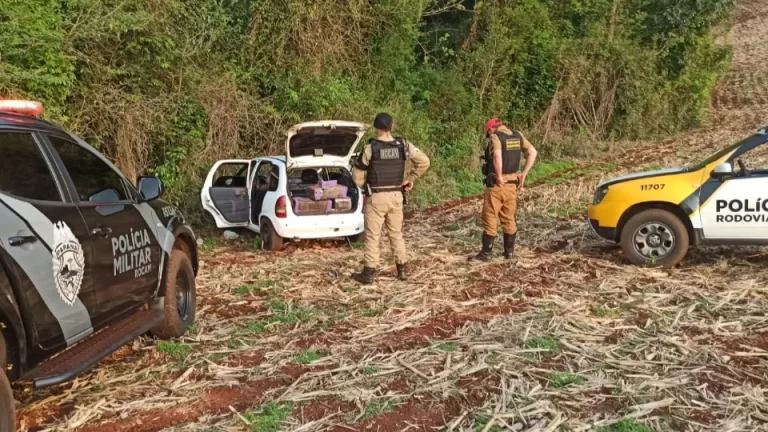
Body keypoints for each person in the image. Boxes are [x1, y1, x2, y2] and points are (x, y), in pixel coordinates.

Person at [351, 113, 431, 284]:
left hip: (377, 196)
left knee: (373, 236)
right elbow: (424, 162)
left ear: (376, 128)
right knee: (396, 233)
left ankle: (369, 273)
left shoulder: (371, 148)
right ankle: (402, 269)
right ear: (391, 127)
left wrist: (362, 186)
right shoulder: (404, 145)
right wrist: (411, 178)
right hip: (396, 196)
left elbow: (357, 171)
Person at [471, 118, 538, 262]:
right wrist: (524, 173)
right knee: (508, 217)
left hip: (497, 184)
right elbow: (533, 152)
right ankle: (509, 253)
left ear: (490, 130)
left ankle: (486, 254)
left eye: (488, 133)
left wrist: (499, 176)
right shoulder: (518, 135)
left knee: (490, 216)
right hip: (512, 184)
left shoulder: (496, 137)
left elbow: (497, 156)